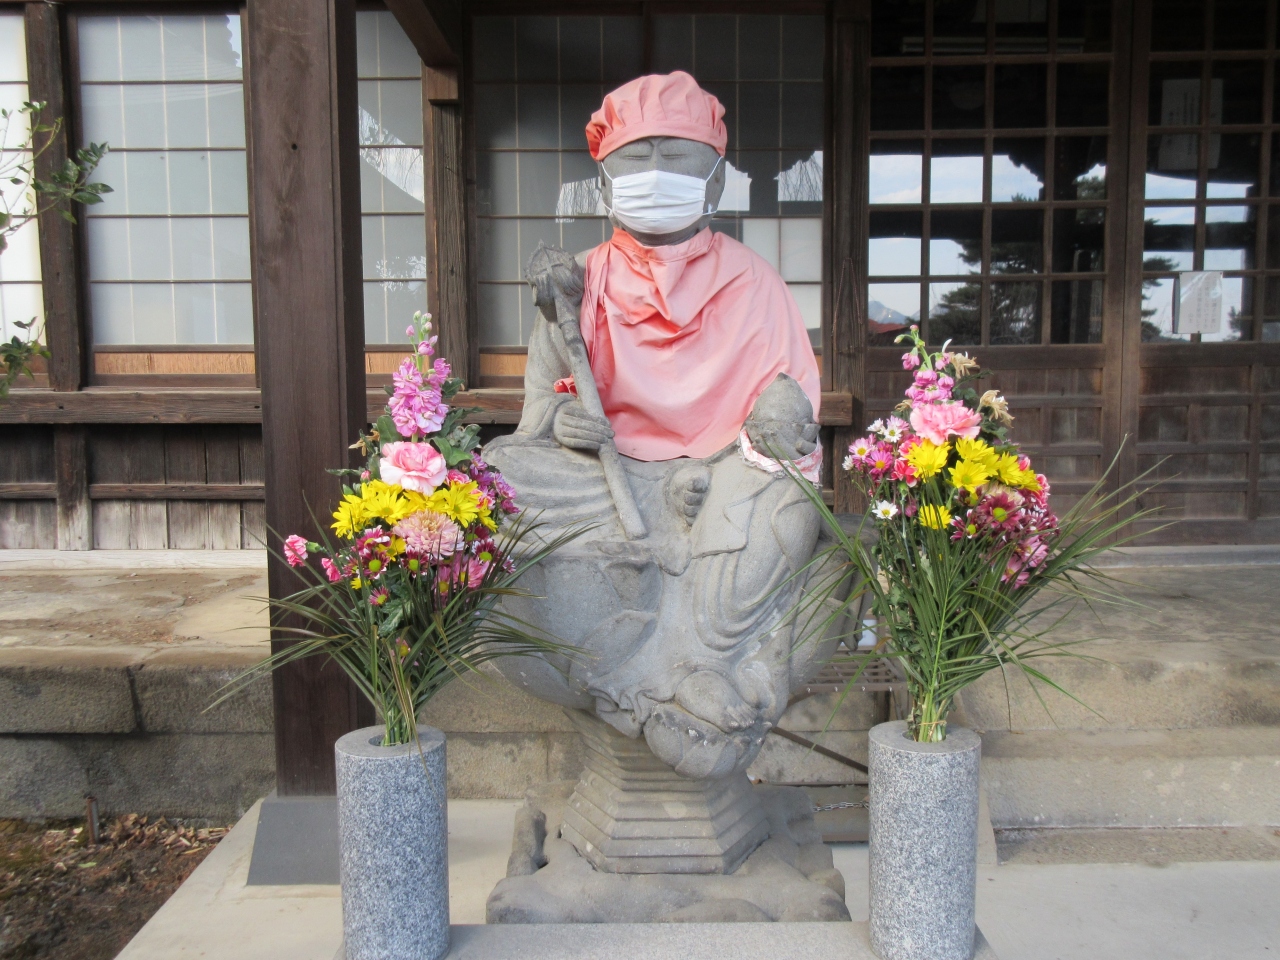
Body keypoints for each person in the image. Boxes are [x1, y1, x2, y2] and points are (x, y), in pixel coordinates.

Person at [485, 72, 843, 778]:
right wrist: (563, 424)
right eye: (635, 161)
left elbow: (790, 414)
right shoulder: (574, 284)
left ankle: (701, 662)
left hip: (721, 476)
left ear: (714, 179)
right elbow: (537, 414)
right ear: (604, 178)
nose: (654, 177)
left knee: (789, 508)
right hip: (606, 475)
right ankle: (662, 678)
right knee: (499, 473)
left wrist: (767, 434)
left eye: (675, 160)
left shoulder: (753, 282)